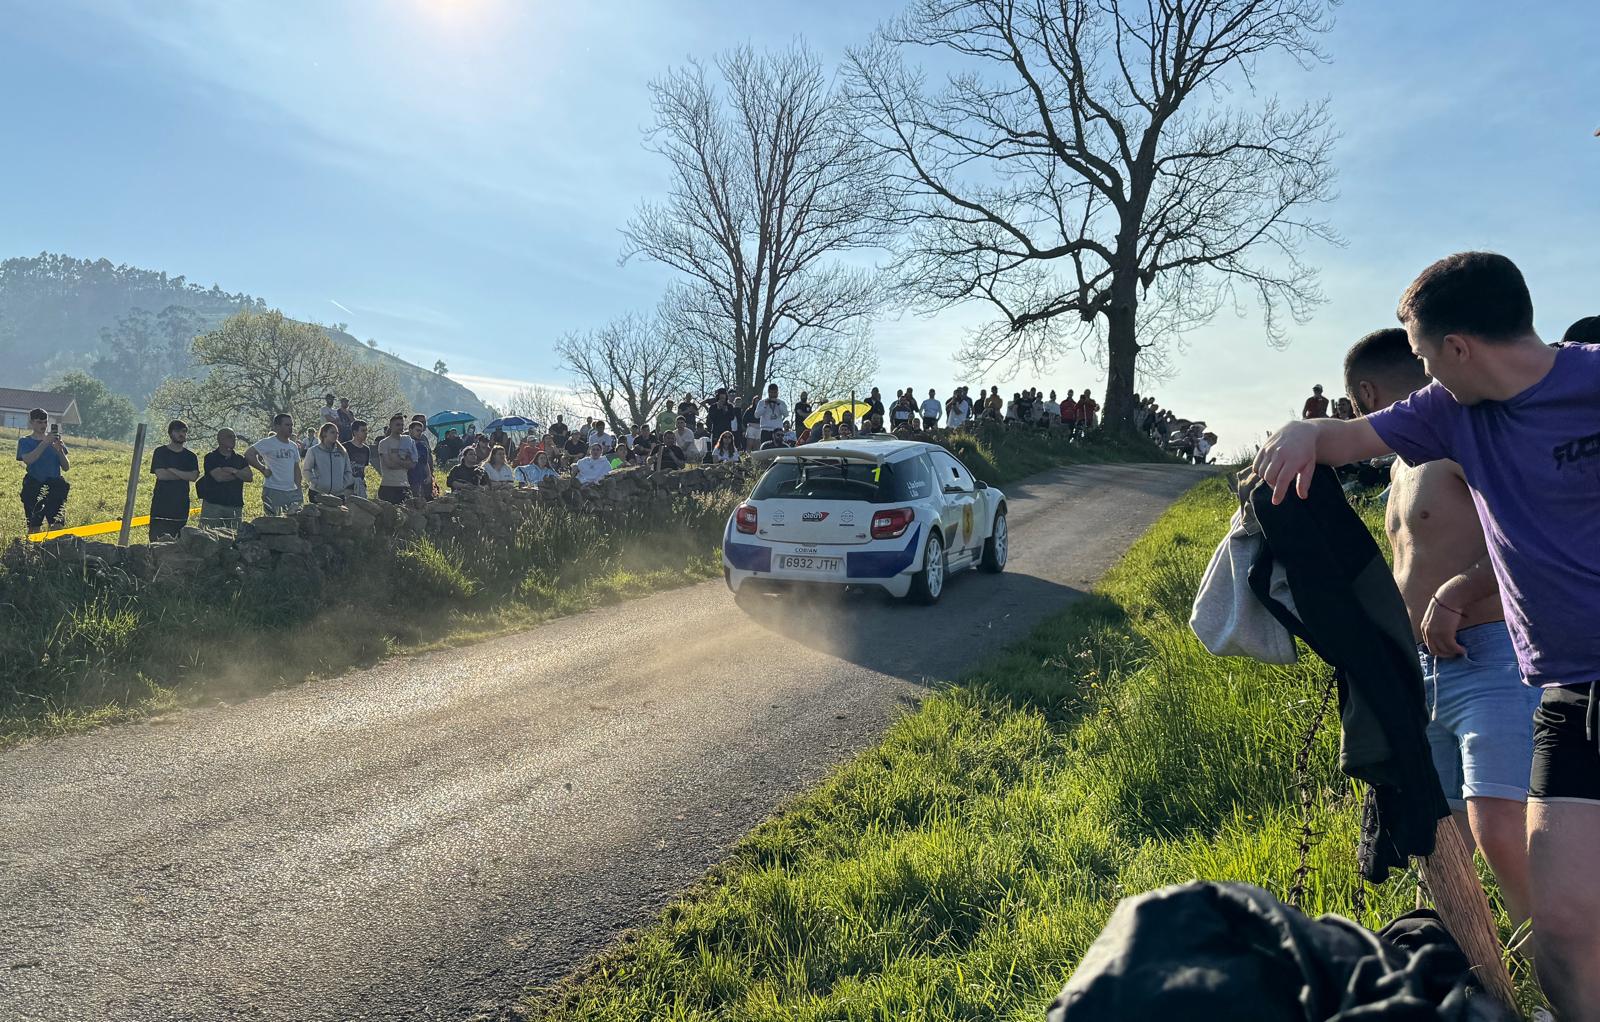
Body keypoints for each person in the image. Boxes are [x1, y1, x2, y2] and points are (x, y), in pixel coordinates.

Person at [1254, 252, 1600, 1019]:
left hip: (1508, 667)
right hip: (1570, 693)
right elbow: (1342, 440)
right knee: (1567, 924)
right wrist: (1296, 436)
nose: (1423, 373)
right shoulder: (1449, 412)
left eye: (1422, 356)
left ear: (1458, 347)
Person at [1344, 326, 1542, 927]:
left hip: (1492, 655)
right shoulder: (1402, 471)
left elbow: (1530, 537)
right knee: (1444, 843)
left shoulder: (1464, 439)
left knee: (1501, 830)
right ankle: (1495, 984)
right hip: (1424, 673)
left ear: (1368, 394)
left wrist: (1458, 594)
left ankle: (1570, 989)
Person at [16, 408, 70, 533]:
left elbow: (66, 467)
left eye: (45, 422)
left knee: (57, 525)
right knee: (34, 526)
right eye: (39, 422)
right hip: (34, 485)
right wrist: (44, 443)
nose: (43, 425)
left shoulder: (55, 440)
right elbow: (29, 459)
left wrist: (60, 450)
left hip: (55, 486)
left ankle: (55, 551)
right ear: (31, 423)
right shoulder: (25, 441)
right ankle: (34, 551)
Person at [149, 419, 200, 540]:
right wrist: (184, 475)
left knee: (178, 539)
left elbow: (193, 477)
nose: (181, 434)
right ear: (170, 433)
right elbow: (161, 475)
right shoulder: (160, 452)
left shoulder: (190, 456)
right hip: (161, 503)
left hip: (181, 504)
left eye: (184, 431)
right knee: (156, 540)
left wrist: (172, 469)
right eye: (178, 431)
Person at [246, 413, 305, 515]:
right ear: (277, 427)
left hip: (291, 491)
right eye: (287, 425)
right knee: (274, 522)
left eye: (291, 425)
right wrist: (263, 469)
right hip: (273, 489)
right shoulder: (268, 442)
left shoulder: (293, 446)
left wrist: (299, 490)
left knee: (293, 523)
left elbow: (296, 468)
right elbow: (249, 454)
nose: (290, 428)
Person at [197, 427, 252, 528]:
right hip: (213, 505)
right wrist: (239, 474)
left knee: (233, 538)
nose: (233, 440)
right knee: (208, 537)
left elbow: (249, 477)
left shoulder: (239, 459)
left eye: (234, 438)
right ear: (220, 439)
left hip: (235, 506)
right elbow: (220, 477)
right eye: (229, 437)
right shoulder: (211, 457)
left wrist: (233, 470)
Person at [303, 422, 354, 499]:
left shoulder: (342, 452)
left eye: (337, 433)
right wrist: (317, 483)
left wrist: (342, 485)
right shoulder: (314, 451)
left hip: (338, 494)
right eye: (332, 432)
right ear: (324, 434)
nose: (336, 435)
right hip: (318, 493)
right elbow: (306, 470)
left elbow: (348, 471)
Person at [373, 413, 415, 505]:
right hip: (388, 486)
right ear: (391, 426)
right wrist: (405, 464)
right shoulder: (384, 443)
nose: (400, 427)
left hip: (405, 486)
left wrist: (397, 460)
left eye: (402, 425)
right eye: (397, 425)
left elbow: (412, 464)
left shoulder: (407, 442)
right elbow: (389, 464)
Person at [406, 420, 436, 503]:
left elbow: (425, 462)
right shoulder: (404, 444)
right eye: (417, 430)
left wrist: (429, 475)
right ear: (410, 430)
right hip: (409, 477)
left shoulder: (422, 446)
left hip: (421, 477)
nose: (419, 433)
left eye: (421, 431)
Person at [345, 420, 372, 498]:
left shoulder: (366, 449)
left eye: (366, 430)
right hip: (347, 487)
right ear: (355, 432)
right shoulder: (346, 447)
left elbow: (364, 467)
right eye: (363, 430)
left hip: (361, 486)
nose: (366, 433)